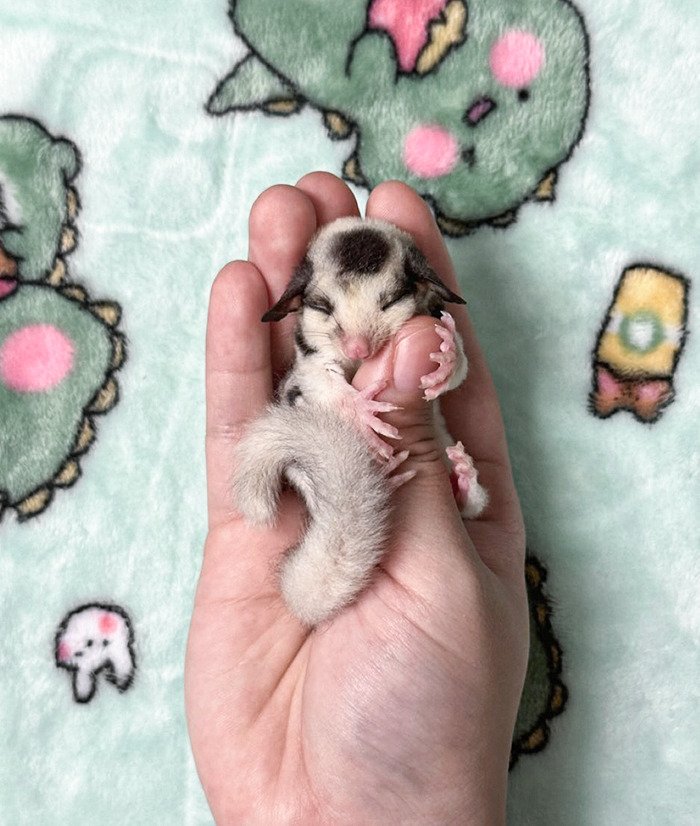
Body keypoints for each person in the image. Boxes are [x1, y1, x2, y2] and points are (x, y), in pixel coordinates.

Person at [185, 172, 529, 825]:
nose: (357, 343)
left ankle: (456, 491)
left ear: (423, 294)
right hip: (325, 516)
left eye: (385, 309)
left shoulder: (425, 326)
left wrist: (442, 359)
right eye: (329, 313)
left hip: (375, 540)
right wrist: (347, 401)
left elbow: (445, 370)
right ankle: (437, 491)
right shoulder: (317, 362)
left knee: (464, 481)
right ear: (302, 300)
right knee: (317, 412)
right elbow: (317, 379)